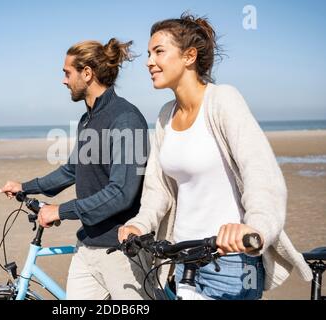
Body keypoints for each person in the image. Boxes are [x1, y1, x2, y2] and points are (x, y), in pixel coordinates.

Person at [118, 13, 312, 300]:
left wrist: (254, 227)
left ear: (189, 56)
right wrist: (140, 223)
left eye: (159, 51)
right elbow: (158, 189)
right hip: (181, 258)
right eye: (149, 53)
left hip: (231, 261)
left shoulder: (223, 100)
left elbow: (261, 175)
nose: (149, 61)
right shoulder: (164, 116)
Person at [0, 38, 150, 299]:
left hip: (121, 252)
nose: (64, 80)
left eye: (67, 73)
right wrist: (25, 186)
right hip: (87, 248)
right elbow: (71, 170)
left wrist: (61, 211)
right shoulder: (87, 119)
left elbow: (122, 192)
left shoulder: (126, 119)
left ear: (87, 73)